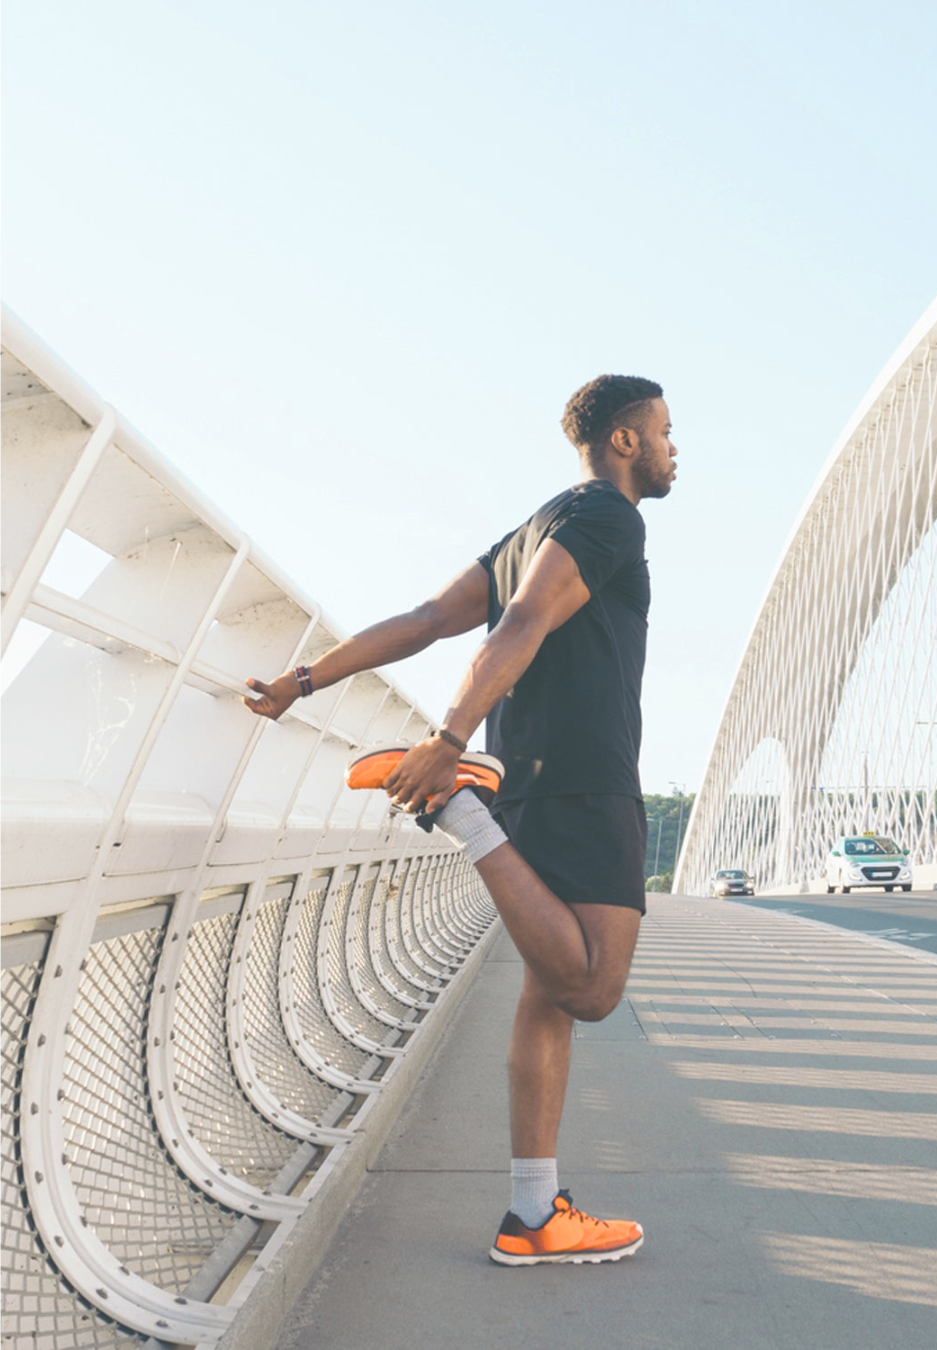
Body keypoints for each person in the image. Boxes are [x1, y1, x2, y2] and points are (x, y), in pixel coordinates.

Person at [244, 373, 677, 1264]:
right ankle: (461, 812)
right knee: (592, 990)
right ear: (625, 440)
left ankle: (532, 1215)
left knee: (546, 997)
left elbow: (428, 617)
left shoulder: (537, 526)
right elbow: (515, 624)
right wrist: (447, 742)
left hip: (536, 776)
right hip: (584, 782)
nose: (679, 448)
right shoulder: (605, 517)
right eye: (668, 432)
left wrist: (305, 680)